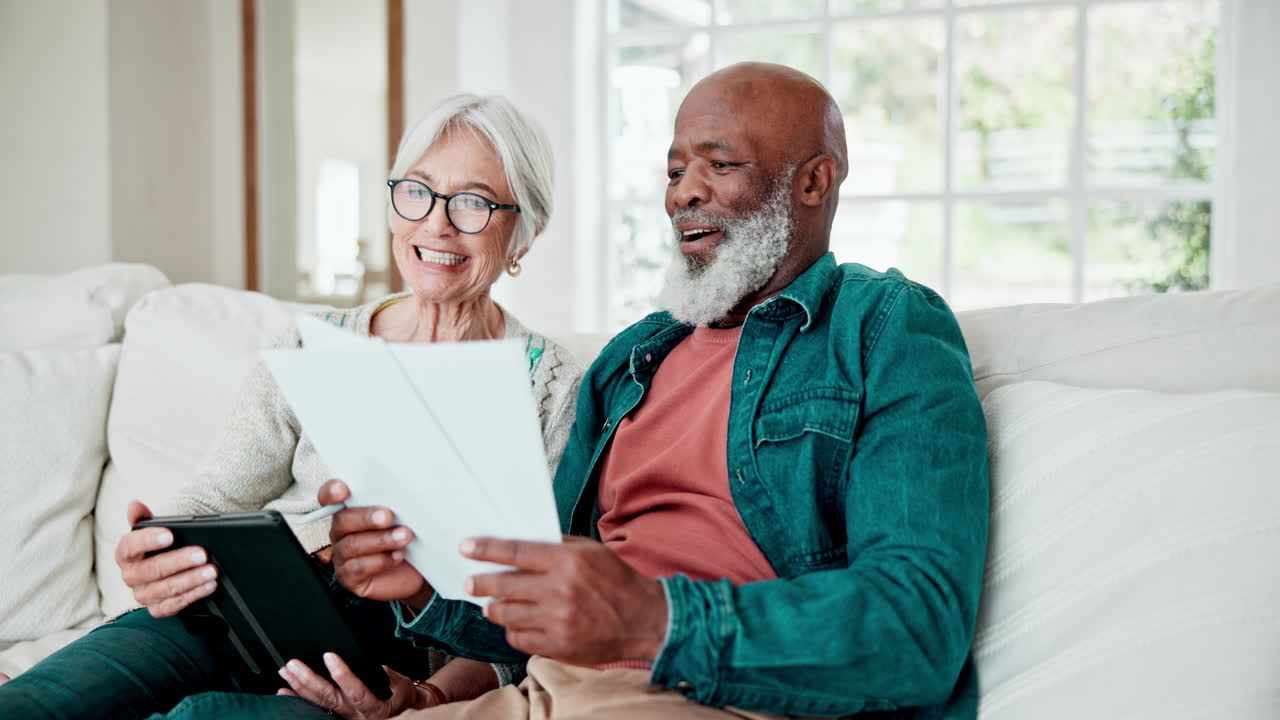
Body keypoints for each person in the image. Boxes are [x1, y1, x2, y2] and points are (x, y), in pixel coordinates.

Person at [275, 62, 991, 720]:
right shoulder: (633, 360)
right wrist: (425, 584)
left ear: (814, 182)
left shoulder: (883, 327)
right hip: (550, 691)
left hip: (728, 698)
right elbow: (545, 592)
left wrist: (653, 619)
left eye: (720, 164)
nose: (684, 191)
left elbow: (919, 627)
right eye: (676, 170)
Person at [0, 93, 584, 720]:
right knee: (37, 704)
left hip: (384, 660)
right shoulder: (312, 342)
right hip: (241, 608)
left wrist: (433, 696)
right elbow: (220, 493)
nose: (436, 224)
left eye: (472, 202)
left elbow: (537, 616)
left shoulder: (554, 388)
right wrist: (158, 547)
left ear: (524, 230)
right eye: (417, 191)